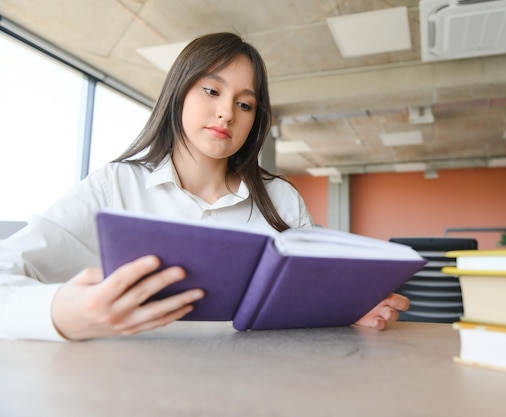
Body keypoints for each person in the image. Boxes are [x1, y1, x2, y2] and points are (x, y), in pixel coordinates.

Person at [0, 32, 409, 341]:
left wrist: (345, 307)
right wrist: (60, 313)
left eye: (244, 104)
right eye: (211, 90)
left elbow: (313, 293)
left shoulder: (281, 200)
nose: (226, 113)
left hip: (260, 392)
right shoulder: (116, 185)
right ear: (178, 94)